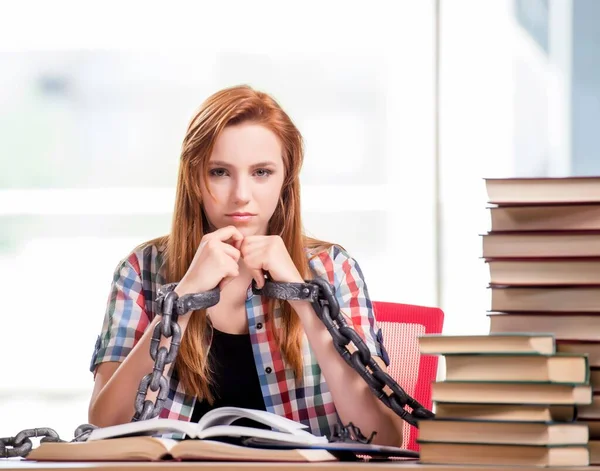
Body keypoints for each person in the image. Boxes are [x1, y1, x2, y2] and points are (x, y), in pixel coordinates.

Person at [87, 85, 404, 447]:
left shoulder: (332, 270)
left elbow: (386, 436)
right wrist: (185, 296)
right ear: (194, 179)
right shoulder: (141, 271)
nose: (241, 195)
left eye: (261, 172)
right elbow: (104, 424)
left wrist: (301, 296)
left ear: (286, 180)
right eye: (220, 172)